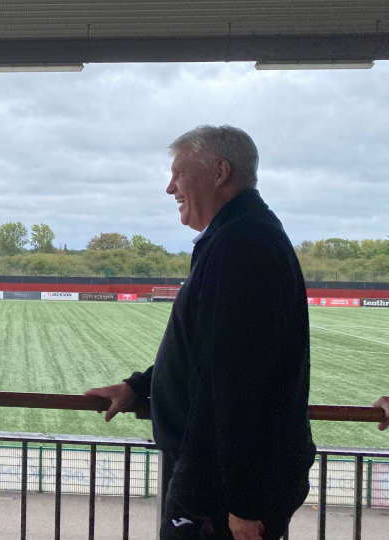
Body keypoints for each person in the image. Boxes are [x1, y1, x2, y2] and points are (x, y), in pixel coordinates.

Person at [86, 125, 315, 540]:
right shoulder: (237, 236)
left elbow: (238, 381)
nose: (169, 187)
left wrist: (243, 503)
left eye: (178, 173)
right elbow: (208, 355)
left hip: (220, 494)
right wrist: (137, 387)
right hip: (218, 485)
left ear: (220, 172)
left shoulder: (243, 244)